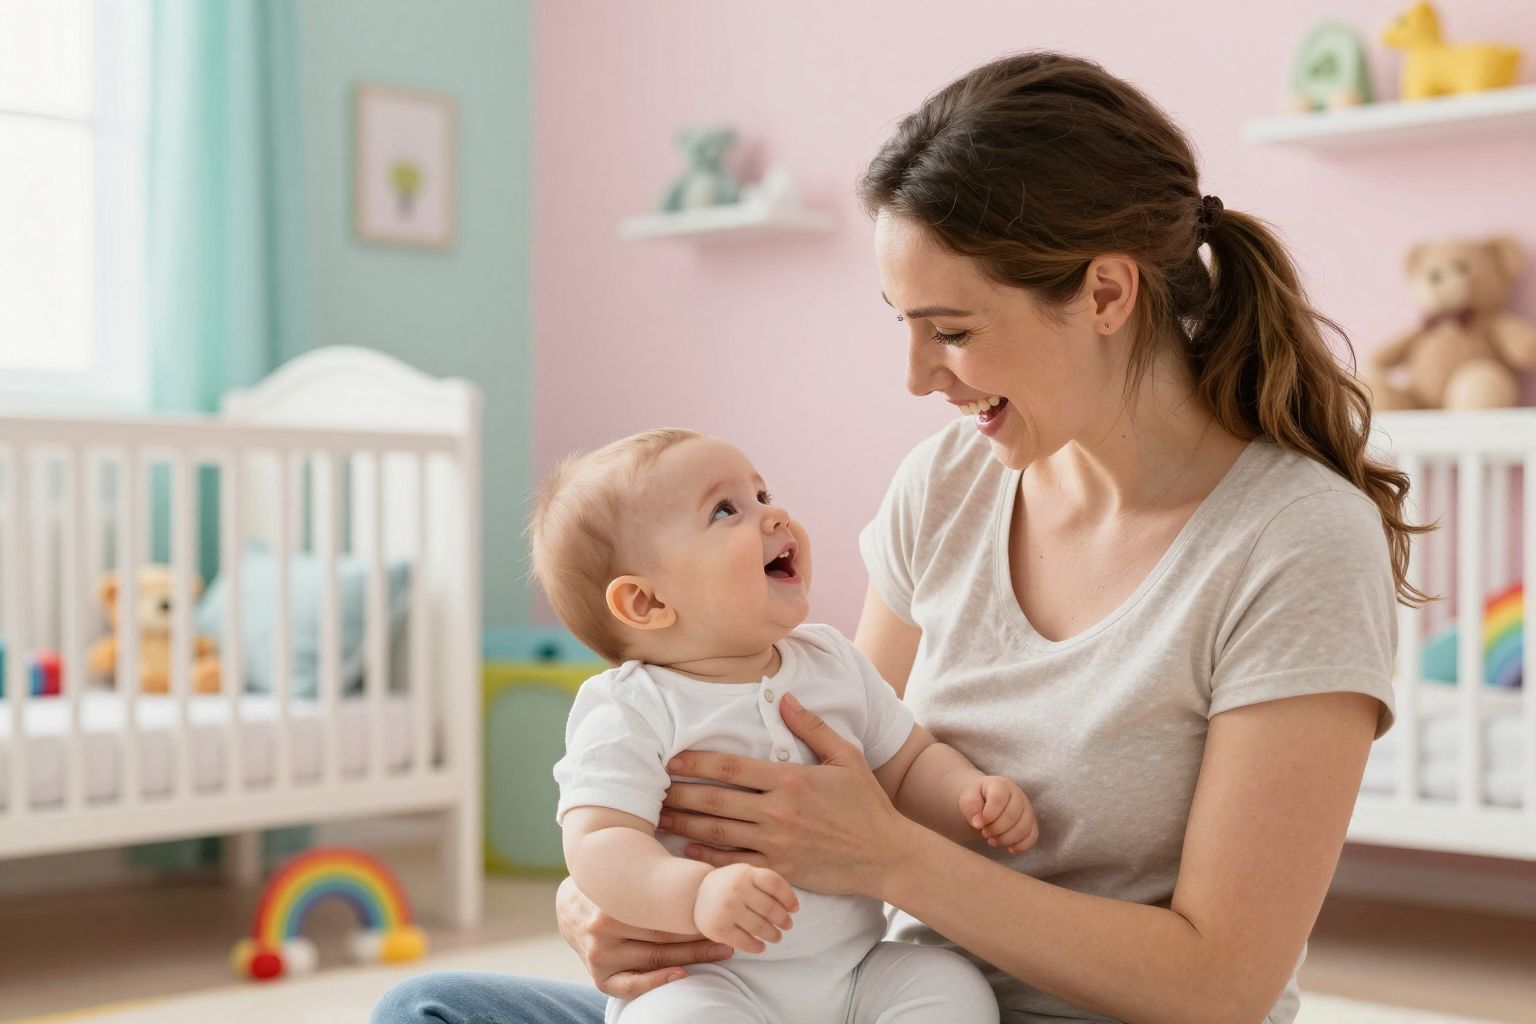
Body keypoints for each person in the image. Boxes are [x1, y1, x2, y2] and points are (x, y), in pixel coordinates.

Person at [373, 49, 1416, 1024]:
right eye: (904, 325)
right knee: (426, 1010)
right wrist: (620, 907)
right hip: (849, 994)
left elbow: (1222, 982)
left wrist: (901, 867)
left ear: (1106, 291)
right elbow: (826, 766)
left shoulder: (1296, 541)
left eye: (953, 331)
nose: (919, 379)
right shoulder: (948, 486)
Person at [532, 428, 1018, 1021]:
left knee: (946, 984)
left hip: (854, 971)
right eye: (725, 509)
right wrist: (695, 893)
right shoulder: (631, 707)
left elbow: (907, 761)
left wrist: (966, 795)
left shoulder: (831, 660)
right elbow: (599, 842)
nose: (773, 515)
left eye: (763, 495)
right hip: (712, 979)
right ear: (646, 603)